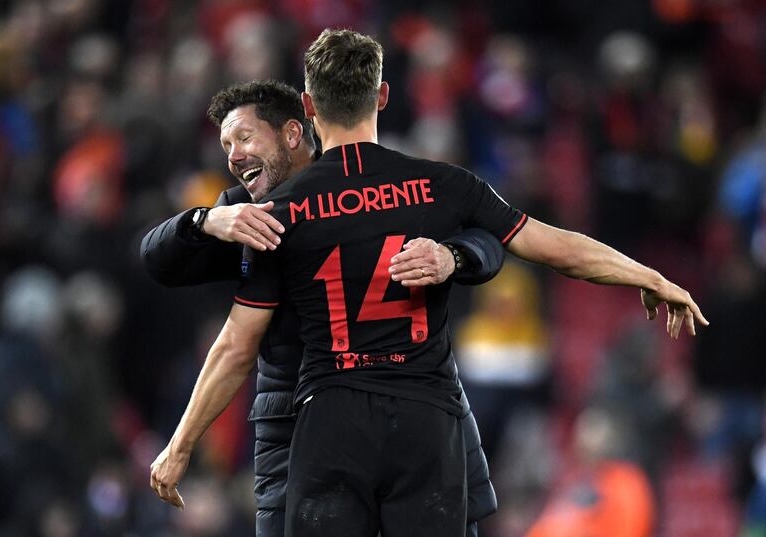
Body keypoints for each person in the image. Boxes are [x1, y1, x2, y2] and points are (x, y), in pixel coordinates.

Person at [150, 29, 708, 537]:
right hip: (425, 418)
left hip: (330, 417)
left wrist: (180, 446)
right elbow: (555, 247)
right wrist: (649, 275)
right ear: (383, 97)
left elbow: (237, 345)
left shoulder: (279, 211)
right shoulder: (441, 185)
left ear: (310, 107)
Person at [141, 80, 506, 536]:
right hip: (294, 422)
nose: (233, 156)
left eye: (245, 138)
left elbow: (489, 238)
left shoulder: (379, 187)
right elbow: (158, 261)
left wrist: (454, 256)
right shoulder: (246, 215)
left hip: (407, 408)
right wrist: (204, 220)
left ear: (293, 133)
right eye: (226, 145)